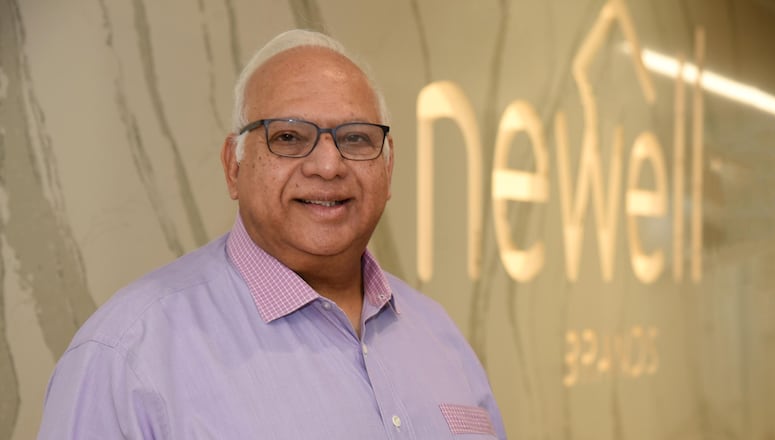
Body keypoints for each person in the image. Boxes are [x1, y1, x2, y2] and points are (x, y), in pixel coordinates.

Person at [38, 29, 506, 439]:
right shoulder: (127, 357)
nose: (328, 166)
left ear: (388, 167)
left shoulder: (440, 337)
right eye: (288, 137)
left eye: (356, 138)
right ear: (232, 165)